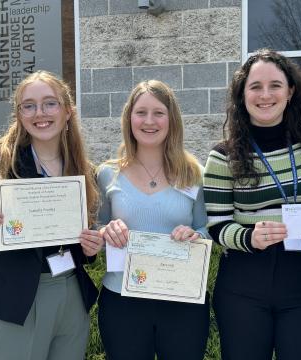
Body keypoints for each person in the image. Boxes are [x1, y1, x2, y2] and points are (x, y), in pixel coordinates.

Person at [0, 70, 103, 360]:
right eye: (28, 105)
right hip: (14, 298)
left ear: (68, 111)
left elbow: (80, 245)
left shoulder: (81, 169)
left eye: (49, 103)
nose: (39, 113)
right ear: (18, 114)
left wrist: (90, 247)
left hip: (70, 295)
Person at [203, 48, 301, 360]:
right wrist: (248, 237)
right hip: (243, 283)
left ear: (290, 91)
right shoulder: (223, 156)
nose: (265, 95)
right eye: (255, 86)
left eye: (275, 85)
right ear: (242, 94)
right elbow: (216, 226)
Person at [95, 79, 210, 360]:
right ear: (129, 118)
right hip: (122, 298)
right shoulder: (107, 174)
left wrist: (196, 236)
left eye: (159, 113)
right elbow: (96, 229)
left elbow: (206, 228)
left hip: (182, 299)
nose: (149, 121)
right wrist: (106, 231)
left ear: (172, 119)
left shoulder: (193, 173)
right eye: (141, 112)